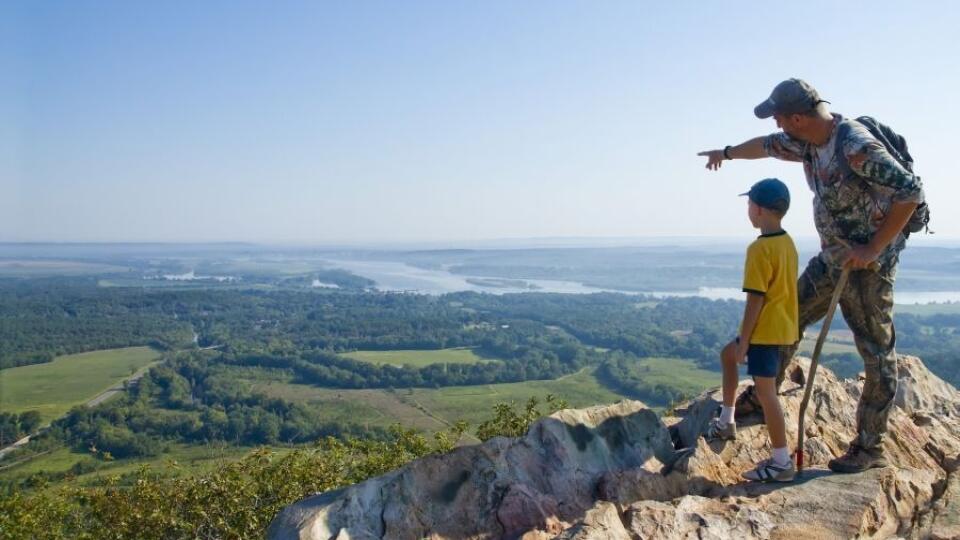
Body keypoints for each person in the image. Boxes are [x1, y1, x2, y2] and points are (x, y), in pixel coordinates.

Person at [698, 79, 924, 473]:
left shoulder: (854, 145)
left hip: (869, 269)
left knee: (875, 351)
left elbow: (910, 192)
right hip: (833, 258)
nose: (779, 126)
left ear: (798, 117)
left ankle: (871, 447)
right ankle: (764, 392)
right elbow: (765, 146)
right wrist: (727, 153)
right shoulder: (806, 141)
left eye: (781, 118)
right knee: (789, 318)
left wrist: (872, 249)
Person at [706, 178, 798, 483]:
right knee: (726, 355)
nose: (748, 209)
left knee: (766, 394)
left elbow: (755, 300)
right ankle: (727, 421)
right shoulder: (786, 243)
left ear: (758, 209)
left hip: (764, 332)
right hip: (781, 327)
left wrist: (745, 341)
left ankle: (781, 462)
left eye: (749, 204)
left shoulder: (759, 249)